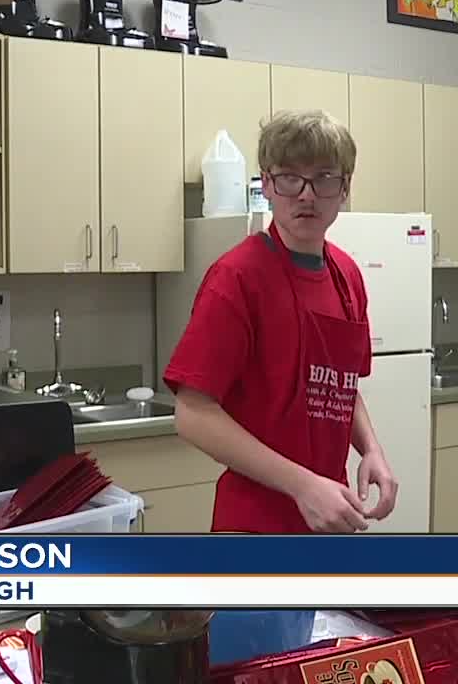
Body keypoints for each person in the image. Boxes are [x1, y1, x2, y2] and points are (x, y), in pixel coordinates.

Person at [164, 109, 399, 534]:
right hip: (254, 525)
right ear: (267, 185)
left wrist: (371, 450)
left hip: (332, 516)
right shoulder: (237, 278)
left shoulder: (346, 276)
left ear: (344, 190)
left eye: (325, 178)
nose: (307, 195)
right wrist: (303, 486)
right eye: (290, 177)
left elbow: (342, 386)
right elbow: (192, 413)